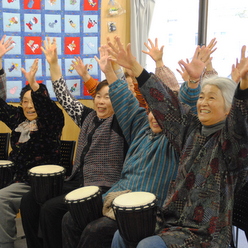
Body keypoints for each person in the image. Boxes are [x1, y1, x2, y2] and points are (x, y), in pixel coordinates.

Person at [109, 36, 248, 248]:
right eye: (201, 97)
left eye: (211, 98)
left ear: (229, 108)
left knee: (147, 246)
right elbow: (165, 103)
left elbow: (239, 123)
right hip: (171, 219)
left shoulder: (230, 141)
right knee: (122, 235)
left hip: (206, 233)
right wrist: (136, 68)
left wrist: (244, 87)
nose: (202, 102)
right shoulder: (191, 129)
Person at [60, 38, 187, 248]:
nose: (154, 117)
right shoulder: (141, 127)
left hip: (145, 209)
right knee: (69, 220)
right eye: (151, 112)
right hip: (116, 197)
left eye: (161, 114)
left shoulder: (177, 137)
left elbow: (177, 107)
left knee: (95, 232)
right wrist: (109, 72)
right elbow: (125, 102)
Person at [19, 37, 128, 248]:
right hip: (77, 180)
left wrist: (112, 70)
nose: (101, 101)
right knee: (29, 201)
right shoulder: (87, 116)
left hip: (102, 187)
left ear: (117, 100)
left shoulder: (122, 121)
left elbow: (124, 95)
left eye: (107, 97)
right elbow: (64, 96)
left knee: (51, 208)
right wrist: (53, 64)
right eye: (98, 96)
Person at [0, 38, 64, 248]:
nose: (29, 106)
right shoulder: (19, 120)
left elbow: (48, 109)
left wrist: (35, 85)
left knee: (2, 198)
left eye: (34, 101)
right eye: (25, 101)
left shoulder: (51, 122)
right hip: (18, 180)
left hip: (42, 185)